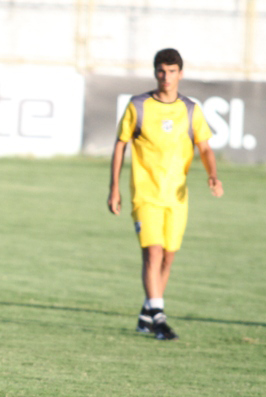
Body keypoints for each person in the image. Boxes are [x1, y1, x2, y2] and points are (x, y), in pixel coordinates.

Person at [108, 48, 223, 340]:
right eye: (161, 71)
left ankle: (146, 314)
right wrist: (114, 188)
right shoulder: (139, 106)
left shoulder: (190, 109)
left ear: (180, 74)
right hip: (145, 195)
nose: (166, 77)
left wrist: (212, 174)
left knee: (167, 259)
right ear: (155, 72)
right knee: (152, 252)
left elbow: (205, 147)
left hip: (177, 197)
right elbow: (121, 144)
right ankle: (159, 317)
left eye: (172, 71)